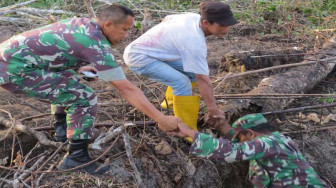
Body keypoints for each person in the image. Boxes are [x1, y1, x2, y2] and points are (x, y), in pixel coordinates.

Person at [0, 4, 179, 175]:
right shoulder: (95, 44)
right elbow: (126, 88)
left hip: (12, 60)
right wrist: (160, 118)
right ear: (108, 25)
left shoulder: (83, 24)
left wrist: (79, 67)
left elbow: (59, 49)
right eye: (125, 30)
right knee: (83, 97)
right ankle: (76, 158)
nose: (127, 35)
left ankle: (62, 132)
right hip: (15, 70)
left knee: (68, 78)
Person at [123, 1, 238, 141]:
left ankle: (171, 104)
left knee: (190, 74)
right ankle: (186, 132)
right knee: (182, 82)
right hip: (138, 57)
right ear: (207, 23)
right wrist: (213, 108)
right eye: (222, 25)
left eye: (228, 24)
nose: (226, 29)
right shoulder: (194, 42)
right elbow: (203, 79)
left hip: (154, 53)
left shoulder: (192, 17)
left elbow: (167, 19)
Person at [171, 114, 329, 187]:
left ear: (251, 134)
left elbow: (234, 151)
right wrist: (221, 126)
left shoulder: (268, 143)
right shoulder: (275, 141)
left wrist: (190, 133)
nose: (238, 141)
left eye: (240, 137)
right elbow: (240, 142)